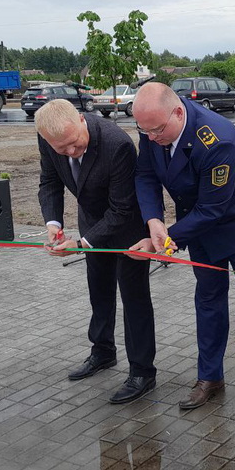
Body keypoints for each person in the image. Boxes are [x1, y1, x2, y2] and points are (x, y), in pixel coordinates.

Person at [129, 83, 235, 420]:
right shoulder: (151, 126)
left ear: (177, 112)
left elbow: (213, 208)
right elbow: (144, 174)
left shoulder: (218, 138)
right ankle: (210, 376)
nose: (152, 137)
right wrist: (154, 222)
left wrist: (166, 239)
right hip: (197, 227)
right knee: (208, 303)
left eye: (157, 130)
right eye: (144, 131)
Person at [35, 99, 157, 404]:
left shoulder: (118, 145)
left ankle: (143, 371)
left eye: (75, 144)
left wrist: (81, 243)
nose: (71, 152)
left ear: (80, 120)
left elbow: (121, 208)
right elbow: (49, 180)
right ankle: (102, 352)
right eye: (62, 149)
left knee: (134, 300)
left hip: (127, 229)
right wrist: (53, 222)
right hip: (91, 223)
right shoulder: (49, 136)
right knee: (99, 290)